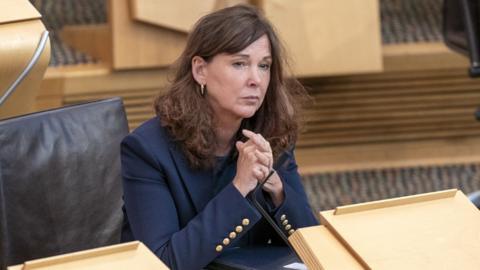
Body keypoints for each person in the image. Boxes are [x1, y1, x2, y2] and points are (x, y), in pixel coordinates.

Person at [120, 4, 319, 270]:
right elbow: (163, 263)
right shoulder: (147, 150)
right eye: (239, 64)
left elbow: (314, 248)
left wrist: (278, 189)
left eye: (264, 66)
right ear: (200, 70)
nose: (256, 80)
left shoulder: (272, 134)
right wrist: (239, 187)